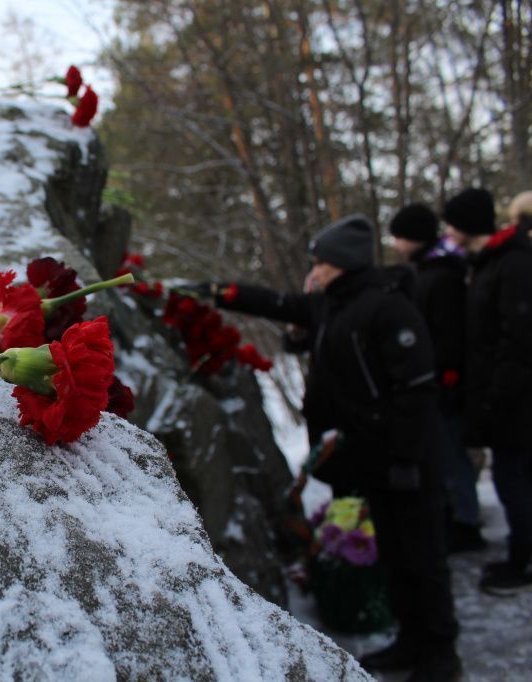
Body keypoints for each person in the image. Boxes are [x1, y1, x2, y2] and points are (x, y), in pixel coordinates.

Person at [193, 215, 460, 681]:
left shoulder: (387, 307)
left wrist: (405, 459)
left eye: (320, 261)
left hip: (406, 458)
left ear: (344, 263)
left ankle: (440, 653)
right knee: (394, 553)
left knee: (423, 555)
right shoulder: (333, 303)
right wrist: (219, 292)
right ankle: (410, 640)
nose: (313, 270)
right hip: (369, 456)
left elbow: (416, 389)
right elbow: (280, 304)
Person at [443, 187, 532, 595]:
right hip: (505, 400)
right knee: (511, 479)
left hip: (516, 402)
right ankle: (520, 553)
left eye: (451, 223)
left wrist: (497, 395)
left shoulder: (511, 264)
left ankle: (524, 560)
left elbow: (517, 339)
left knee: (515, 480)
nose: (446, 230)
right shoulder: (488, 263)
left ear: (466, 225)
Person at [389, 203, 485, 553]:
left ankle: (466, 522)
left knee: (451, 454)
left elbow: (448, 335)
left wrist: (445, 377)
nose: (397, 244)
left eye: (400, 236)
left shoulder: (441, 276)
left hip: (445, 384)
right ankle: (457, 516)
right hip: (436, 380)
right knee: (444, 453)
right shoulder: (428, 272)